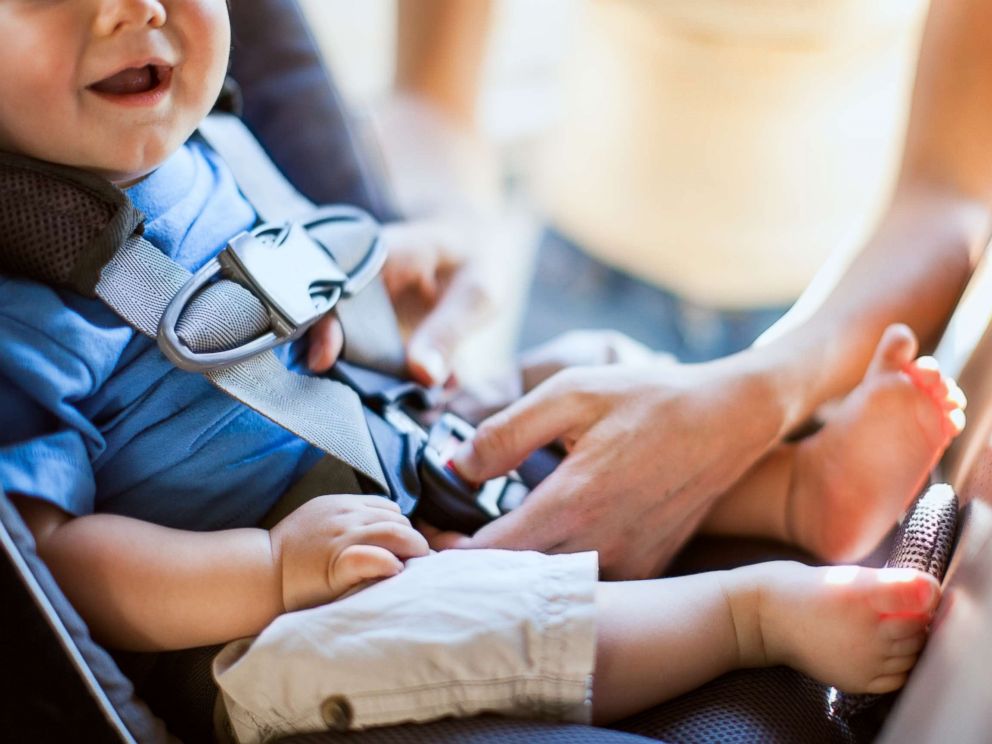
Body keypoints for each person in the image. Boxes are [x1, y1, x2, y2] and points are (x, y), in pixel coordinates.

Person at [0, 0, 963, 739]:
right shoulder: (23, 303)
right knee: (449, 616)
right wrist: (269, 572)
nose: (136, 10)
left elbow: (305, 263)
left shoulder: (213, 146)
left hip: (394, 440)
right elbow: (58, 565)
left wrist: (384, 262)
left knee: (580, 373)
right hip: (260, 618)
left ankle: (799, 489)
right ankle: (745, 617)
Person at [385, 0, 992, 579]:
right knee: (527, 491)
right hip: (582, 289)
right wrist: (443, 219)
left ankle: (802, 489)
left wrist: (761, 391)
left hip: (833, 324)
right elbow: (426, 96)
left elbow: (951, 195)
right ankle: (801, 488)